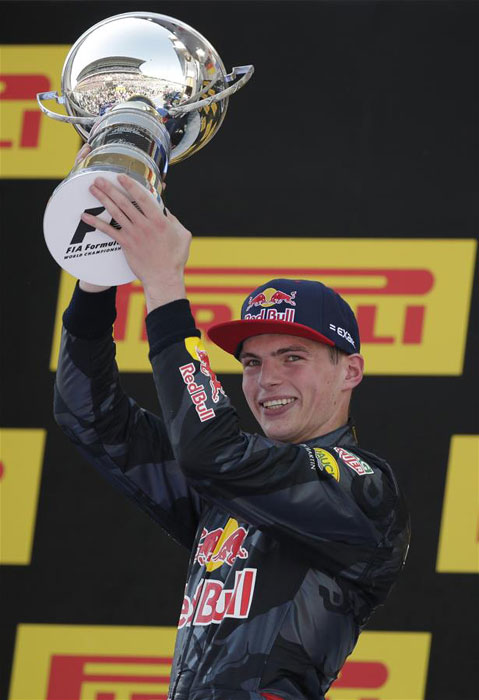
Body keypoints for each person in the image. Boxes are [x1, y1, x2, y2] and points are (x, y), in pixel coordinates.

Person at [54, 170, 410, 700]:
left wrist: (166, 289)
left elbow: (212, 455)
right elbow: (88, 414)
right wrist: (96, 276)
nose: (268, 380)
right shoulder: (231, 487)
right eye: (251, 362)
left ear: (350, 371)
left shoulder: (365, 490)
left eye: (293, 358)